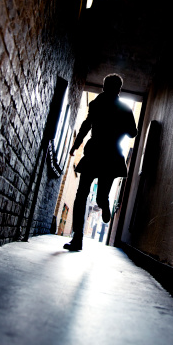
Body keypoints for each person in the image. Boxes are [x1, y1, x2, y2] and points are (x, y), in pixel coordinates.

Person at [63, 73, 138, 251]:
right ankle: (104, 205)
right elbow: (133, 133)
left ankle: (77, 239)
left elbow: (86, 125)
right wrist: (120, 127)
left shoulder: (96, 103)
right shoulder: (125, 109)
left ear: (104, 87)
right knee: (101, 195)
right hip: (112, 155)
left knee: (81, 195)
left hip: (94, 153)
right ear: (119, 89)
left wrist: (76, 145)